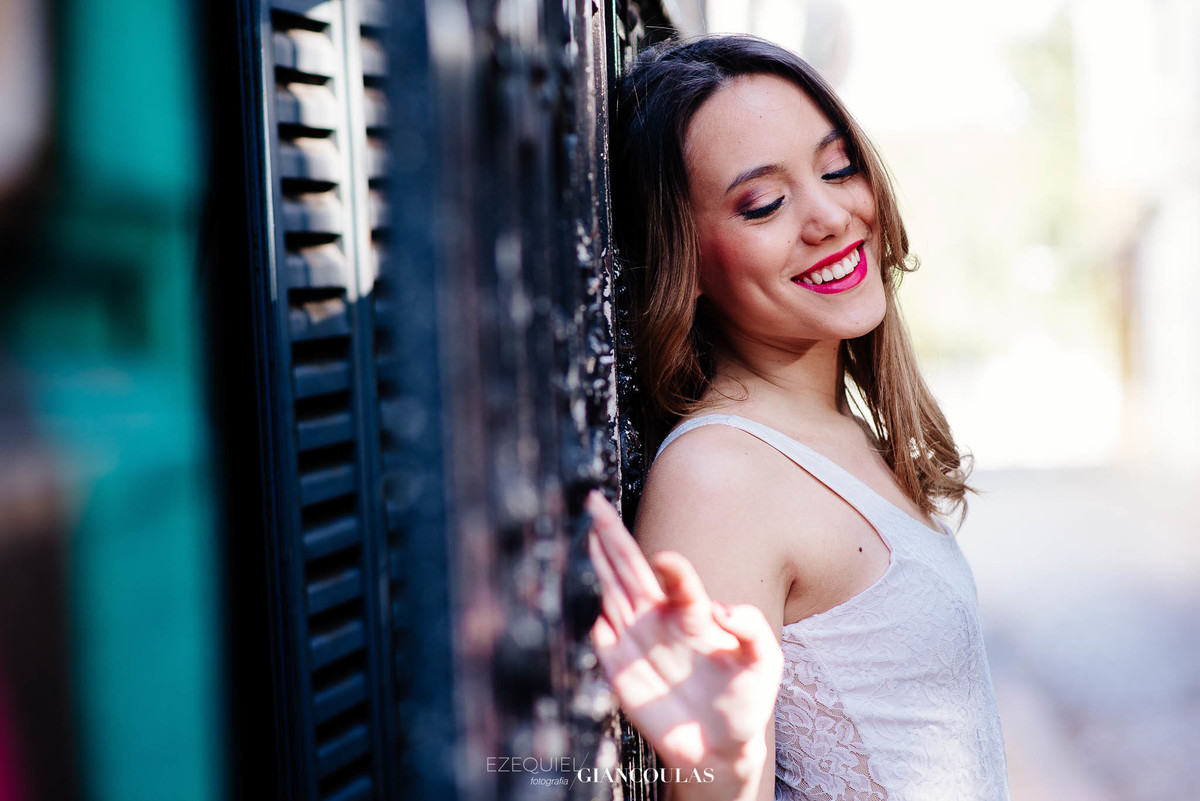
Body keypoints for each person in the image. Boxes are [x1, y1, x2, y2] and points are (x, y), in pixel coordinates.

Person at [586, 35, 1011, 801]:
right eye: (763, 204)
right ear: (687, 262)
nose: (830, 216)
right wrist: (721, 762)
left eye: (838, 167)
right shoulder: (720, 478)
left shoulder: (839, 430)